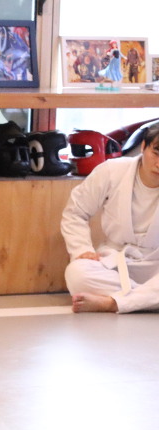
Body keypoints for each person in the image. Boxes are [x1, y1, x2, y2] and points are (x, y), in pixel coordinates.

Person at [62, 122, 159, 313]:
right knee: (77, 273)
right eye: (156, 153)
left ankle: (112, 303)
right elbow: (76, 211)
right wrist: (82, 248)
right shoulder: (111, 171)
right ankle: (146, 299)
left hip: (156, 264)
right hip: (116, 262)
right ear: (143, 147)